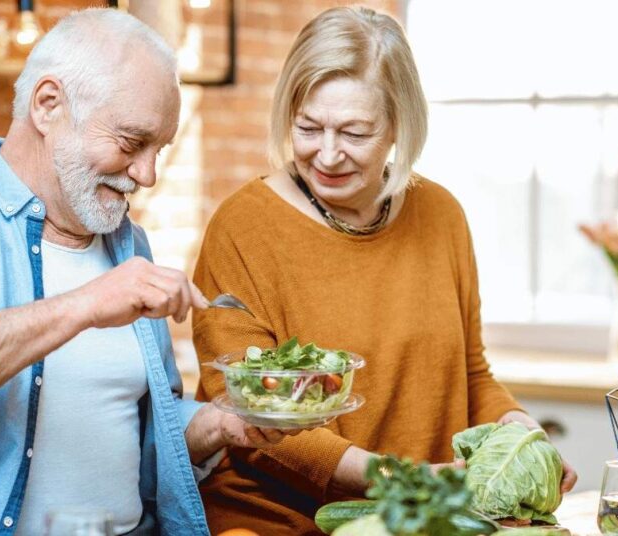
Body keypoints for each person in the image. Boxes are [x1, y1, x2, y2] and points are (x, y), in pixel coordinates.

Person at [0, 9, 289, 535]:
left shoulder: (129, 246)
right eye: (131, 143)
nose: (146, 175)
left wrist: (221, 425)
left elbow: (138, 436)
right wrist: (84, 305)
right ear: (48, 104)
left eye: (159, 150)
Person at [191, 6, 579, 534]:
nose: (327, 155)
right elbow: (248, 414)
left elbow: (471, 374)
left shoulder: (441, 215)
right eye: (308, 127)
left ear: (399, 125)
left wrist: (522, 436)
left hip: (419, 516)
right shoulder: (243, 226)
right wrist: (400, 479)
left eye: (354, 133)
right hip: (275, 521)